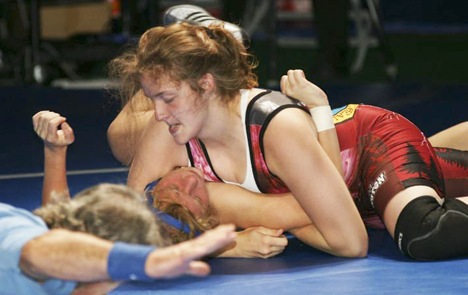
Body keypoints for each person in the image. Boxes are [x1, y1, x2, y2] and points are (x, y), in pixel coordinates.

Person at [107, 20, 468, 261]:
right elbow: (131, 226)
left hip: (369, 148)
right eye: (151, 99)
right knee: (122, 140)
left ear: (206, 84)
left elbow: (351, 243)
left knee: (424, 232)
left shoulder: (276, 128)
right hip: (346, 194)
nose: (157, 114)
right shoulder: (168, 132)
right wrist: (226, 248)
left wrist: (242, 224)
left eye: (167, 98)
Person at [0, 111, 237, 295]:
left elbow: (59, 231)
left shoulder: (64, 281)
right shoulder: (12, 228)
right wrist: (147, 262)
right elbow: (37, 252)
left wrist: (55, 153)